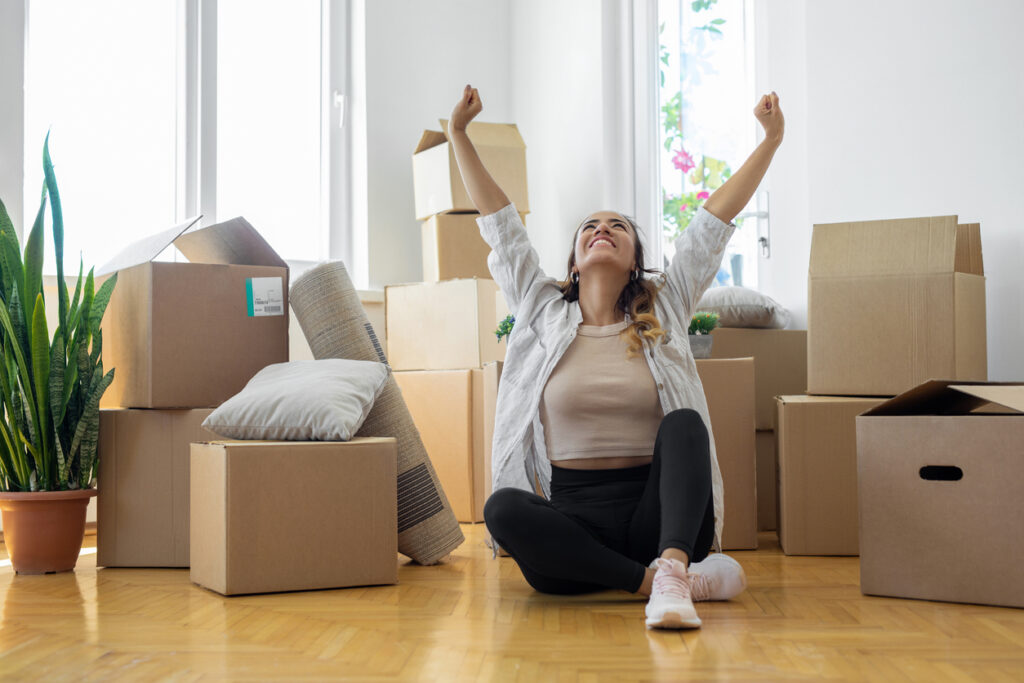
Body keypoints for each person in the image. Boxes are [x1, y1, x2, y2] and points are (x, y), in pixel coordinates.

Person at [449, 84, 784, 629]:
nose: (602, 228)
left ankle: (671, 566)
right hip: (574, 528)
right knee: (502, 509)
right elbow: (502, 228)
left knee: (684, 426)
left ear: (635, 262)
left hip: (662, 519)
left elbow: (711, 227)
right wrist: (459, 135)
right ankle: (664, 584)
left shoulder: (666, 308)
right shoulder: (540, 311)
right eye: (590, 226)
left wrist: (771, 141)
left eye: (618, 226)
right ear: (575, 262)